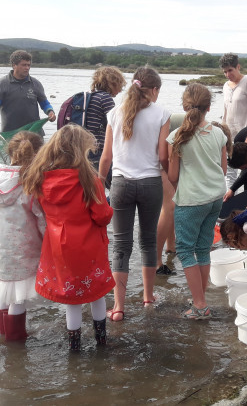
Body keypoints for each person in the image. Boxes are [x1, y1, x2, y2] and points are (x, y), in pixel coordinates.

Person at [22, 125, 114, 350]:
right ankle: (101, 342)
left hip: (58, 247)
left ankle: (75, 346)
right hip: (88, 246)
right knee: (96, 293)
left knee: (71, 298)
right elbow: (102, 216)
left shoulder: (40, 178)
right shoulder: (89, 181)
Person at [99, 67, 171, 321]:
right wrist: (171, 175)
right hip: (151, 184)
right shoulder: (162, 114)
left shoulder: (114, 113)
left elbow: (106, 157)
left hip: (120, 185)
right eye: (158, 90)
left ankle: (118, 307)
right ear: (153, 90)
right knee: (148, 241)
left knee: (120, 245)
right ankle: (148, 298)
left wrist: (99, 183)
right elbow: (163, 156)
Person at [0, 131, 46, 342]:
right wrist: (47, 245)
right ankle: (16, 340)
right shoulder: (29, 185)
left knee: (3, 293)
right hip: (22, 250)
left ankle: (5, 337)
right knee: (17, 298)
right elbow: (41, 220)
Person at [166, 83, 227, 319]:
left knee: (184, 249)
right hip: (215, 199)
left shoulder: (176, 137)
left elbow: (173, 176)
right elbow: (222, 170)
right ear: (209, 108)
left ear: (184, 106)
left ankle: (200, 305)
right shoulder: (219, 133)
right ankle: (201, 298)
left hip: (191, 200)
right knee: (203, 248)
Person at [0, 50, 56, 135]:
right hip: (10, 134)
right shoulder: (2, 83)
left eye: (28, 65)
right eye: (23, 65)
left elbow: (45, 104)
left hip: (34, 134)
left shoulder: (36, 84)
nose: (27, 68)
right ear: (14, 65)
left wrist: (50, 112)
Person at [220, 53, 247, 191]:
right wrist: (222, 132)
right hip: (230, 136)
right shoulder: (226, 86)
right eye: (225, 72)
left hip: (246, 137)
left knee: (246, 170)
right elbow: (225, 111)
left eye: (230, 70)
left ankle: (246, 199)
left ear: (238, 66)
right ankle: (230, 199)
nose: (227, 74)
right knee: (230, 170)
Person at [155, 112, 186, 276]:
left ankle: (171, 246)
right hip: (159, 160)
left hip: (164, 156)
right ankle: (156, 261)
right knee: (170, 207)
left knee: (173, 203)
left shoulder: (202, 128)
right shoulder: (202, 131)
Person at [84, 66, 127, 174]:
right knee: (114, 181)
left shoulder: (90, 96)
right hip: (97, 149)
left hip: (83, 148)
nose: (121, 90)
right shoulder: (105, 99)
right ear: (112, 84)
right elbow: (116, 125)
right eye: (120, 85)